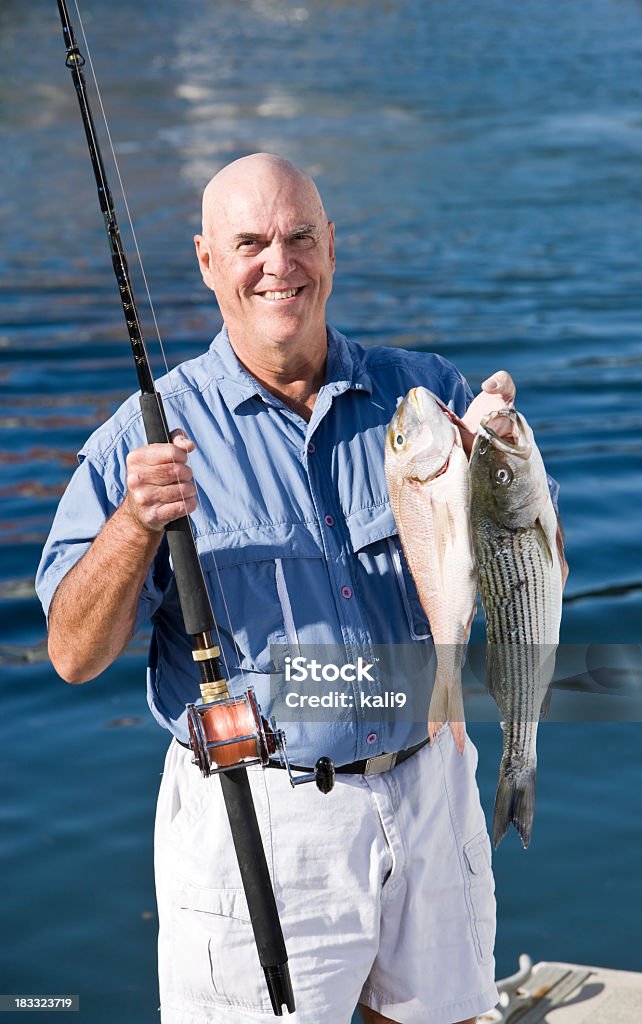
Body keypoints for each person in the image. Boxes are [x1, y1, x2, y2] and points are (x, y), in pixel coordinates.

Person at [36, 154, 551, 1024]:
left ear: (333, 249)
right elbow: (72, 655)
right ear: (207, 262)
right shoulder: (144, 435)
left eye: (300, 237)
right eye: (251, 243)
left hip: (431, 781)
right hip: (263, 813)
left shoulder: (425, 395)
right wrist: (132, 524)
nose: (280, 263)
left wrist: (505, 452)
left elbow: (524, 559)